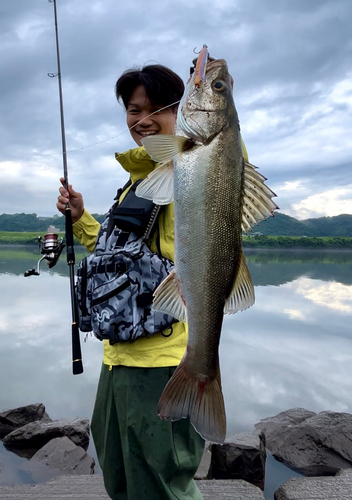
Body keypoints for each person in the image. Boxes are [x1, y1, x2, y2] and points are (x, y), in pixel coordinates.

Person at [57, 64, 206, 500]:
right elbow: (117, 261)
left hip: (163, 361)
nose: (142, 119)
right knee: (120, 476)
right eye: (134, 110)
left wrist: (211, 101)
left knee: (160, 483)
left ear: (185, 112)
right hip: (117, 359)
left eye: (158, 109)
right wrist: (81, 219)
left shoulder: (189, 169)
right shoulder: (135, 181)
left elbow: (225, 170)